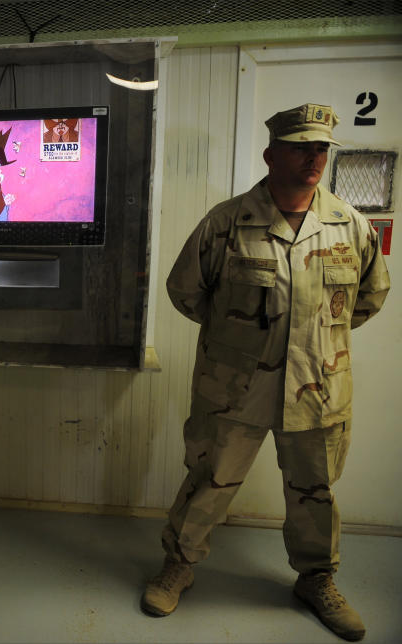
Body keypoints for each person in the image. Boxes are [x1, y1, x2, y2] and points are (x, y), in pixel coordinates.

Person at [141, 103, 390, 641]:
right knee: (210, 480)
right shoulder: (226, 222)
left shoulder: (350, 225)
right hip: (234, 388)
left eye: (322, 147)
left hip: (318, 387)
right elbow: (186, 291)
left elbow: (370, 298)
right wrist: (241, 340)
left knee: (314, 490)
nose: (314, 157)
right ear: (270, 153)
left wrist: (314, 342)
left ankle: (316, 579)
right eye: (302, 146)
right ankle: (178, 564)